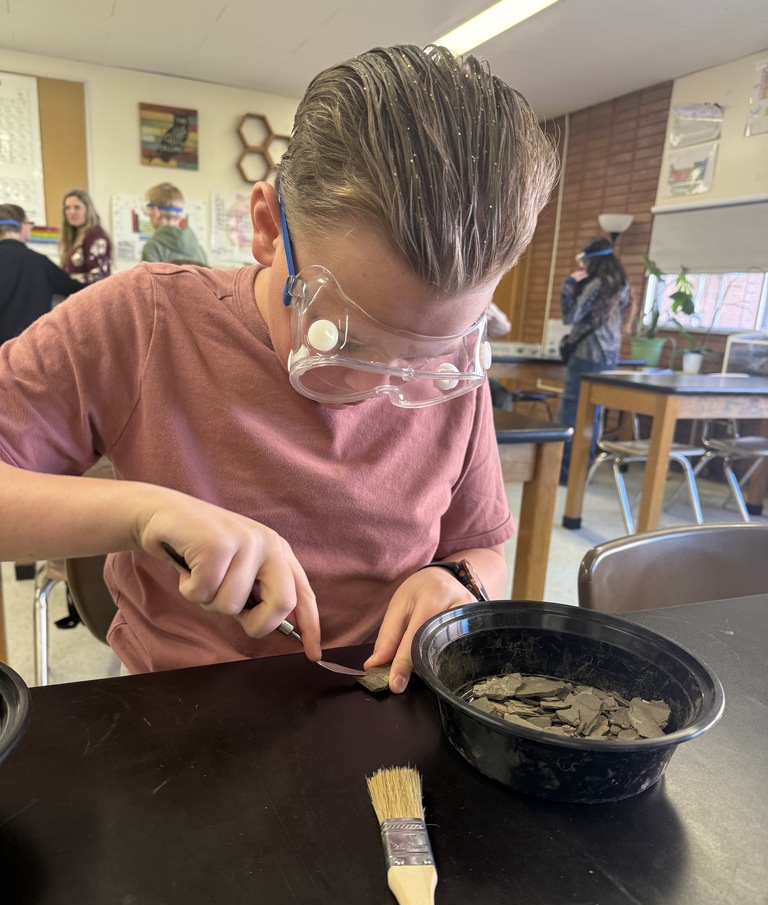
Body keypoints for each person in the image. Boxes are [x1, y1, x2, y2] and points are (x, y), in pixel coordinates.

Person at [0, 44, 557, 690]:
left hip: (386, 702)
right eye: (347, 340)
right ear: (268, 228)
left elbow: (481, 547)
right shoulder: (144, 320)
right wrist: (144, 514)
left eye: (430, 355)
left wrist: (457, 580)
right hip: (189, 716)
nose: (389, 386)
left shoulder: (454, 368)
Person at [557, 237, 631, 483]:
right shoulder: (622, 284)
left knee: (571, 414)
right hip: (609, 360)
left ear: (592, 261)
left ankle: (566, 472)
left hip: (586, 356)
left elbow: (570, 317)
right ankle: (583, 469)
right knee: (593, 417)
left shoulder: (595, 284)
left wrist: (569, 284)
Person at [0, 203, 85, 344]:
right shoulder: (40, 263)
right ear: (22, 227)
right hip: (29, 350)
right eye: (29, 223)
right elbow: (77, 291)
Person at [142, 183, 208, 265]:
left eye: (149, 210)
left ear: (156, 212)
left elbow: (148, 277)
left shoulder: (152, 248)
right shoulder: (199, 249)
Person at [59, 189, 113, 285]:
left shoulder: (95, 235)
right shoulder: (74, 237)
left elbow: (99, 276)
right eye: (67, 208)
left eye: (77, 207)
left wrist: (65, 280)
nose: (71, 212)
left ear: (88, 210)